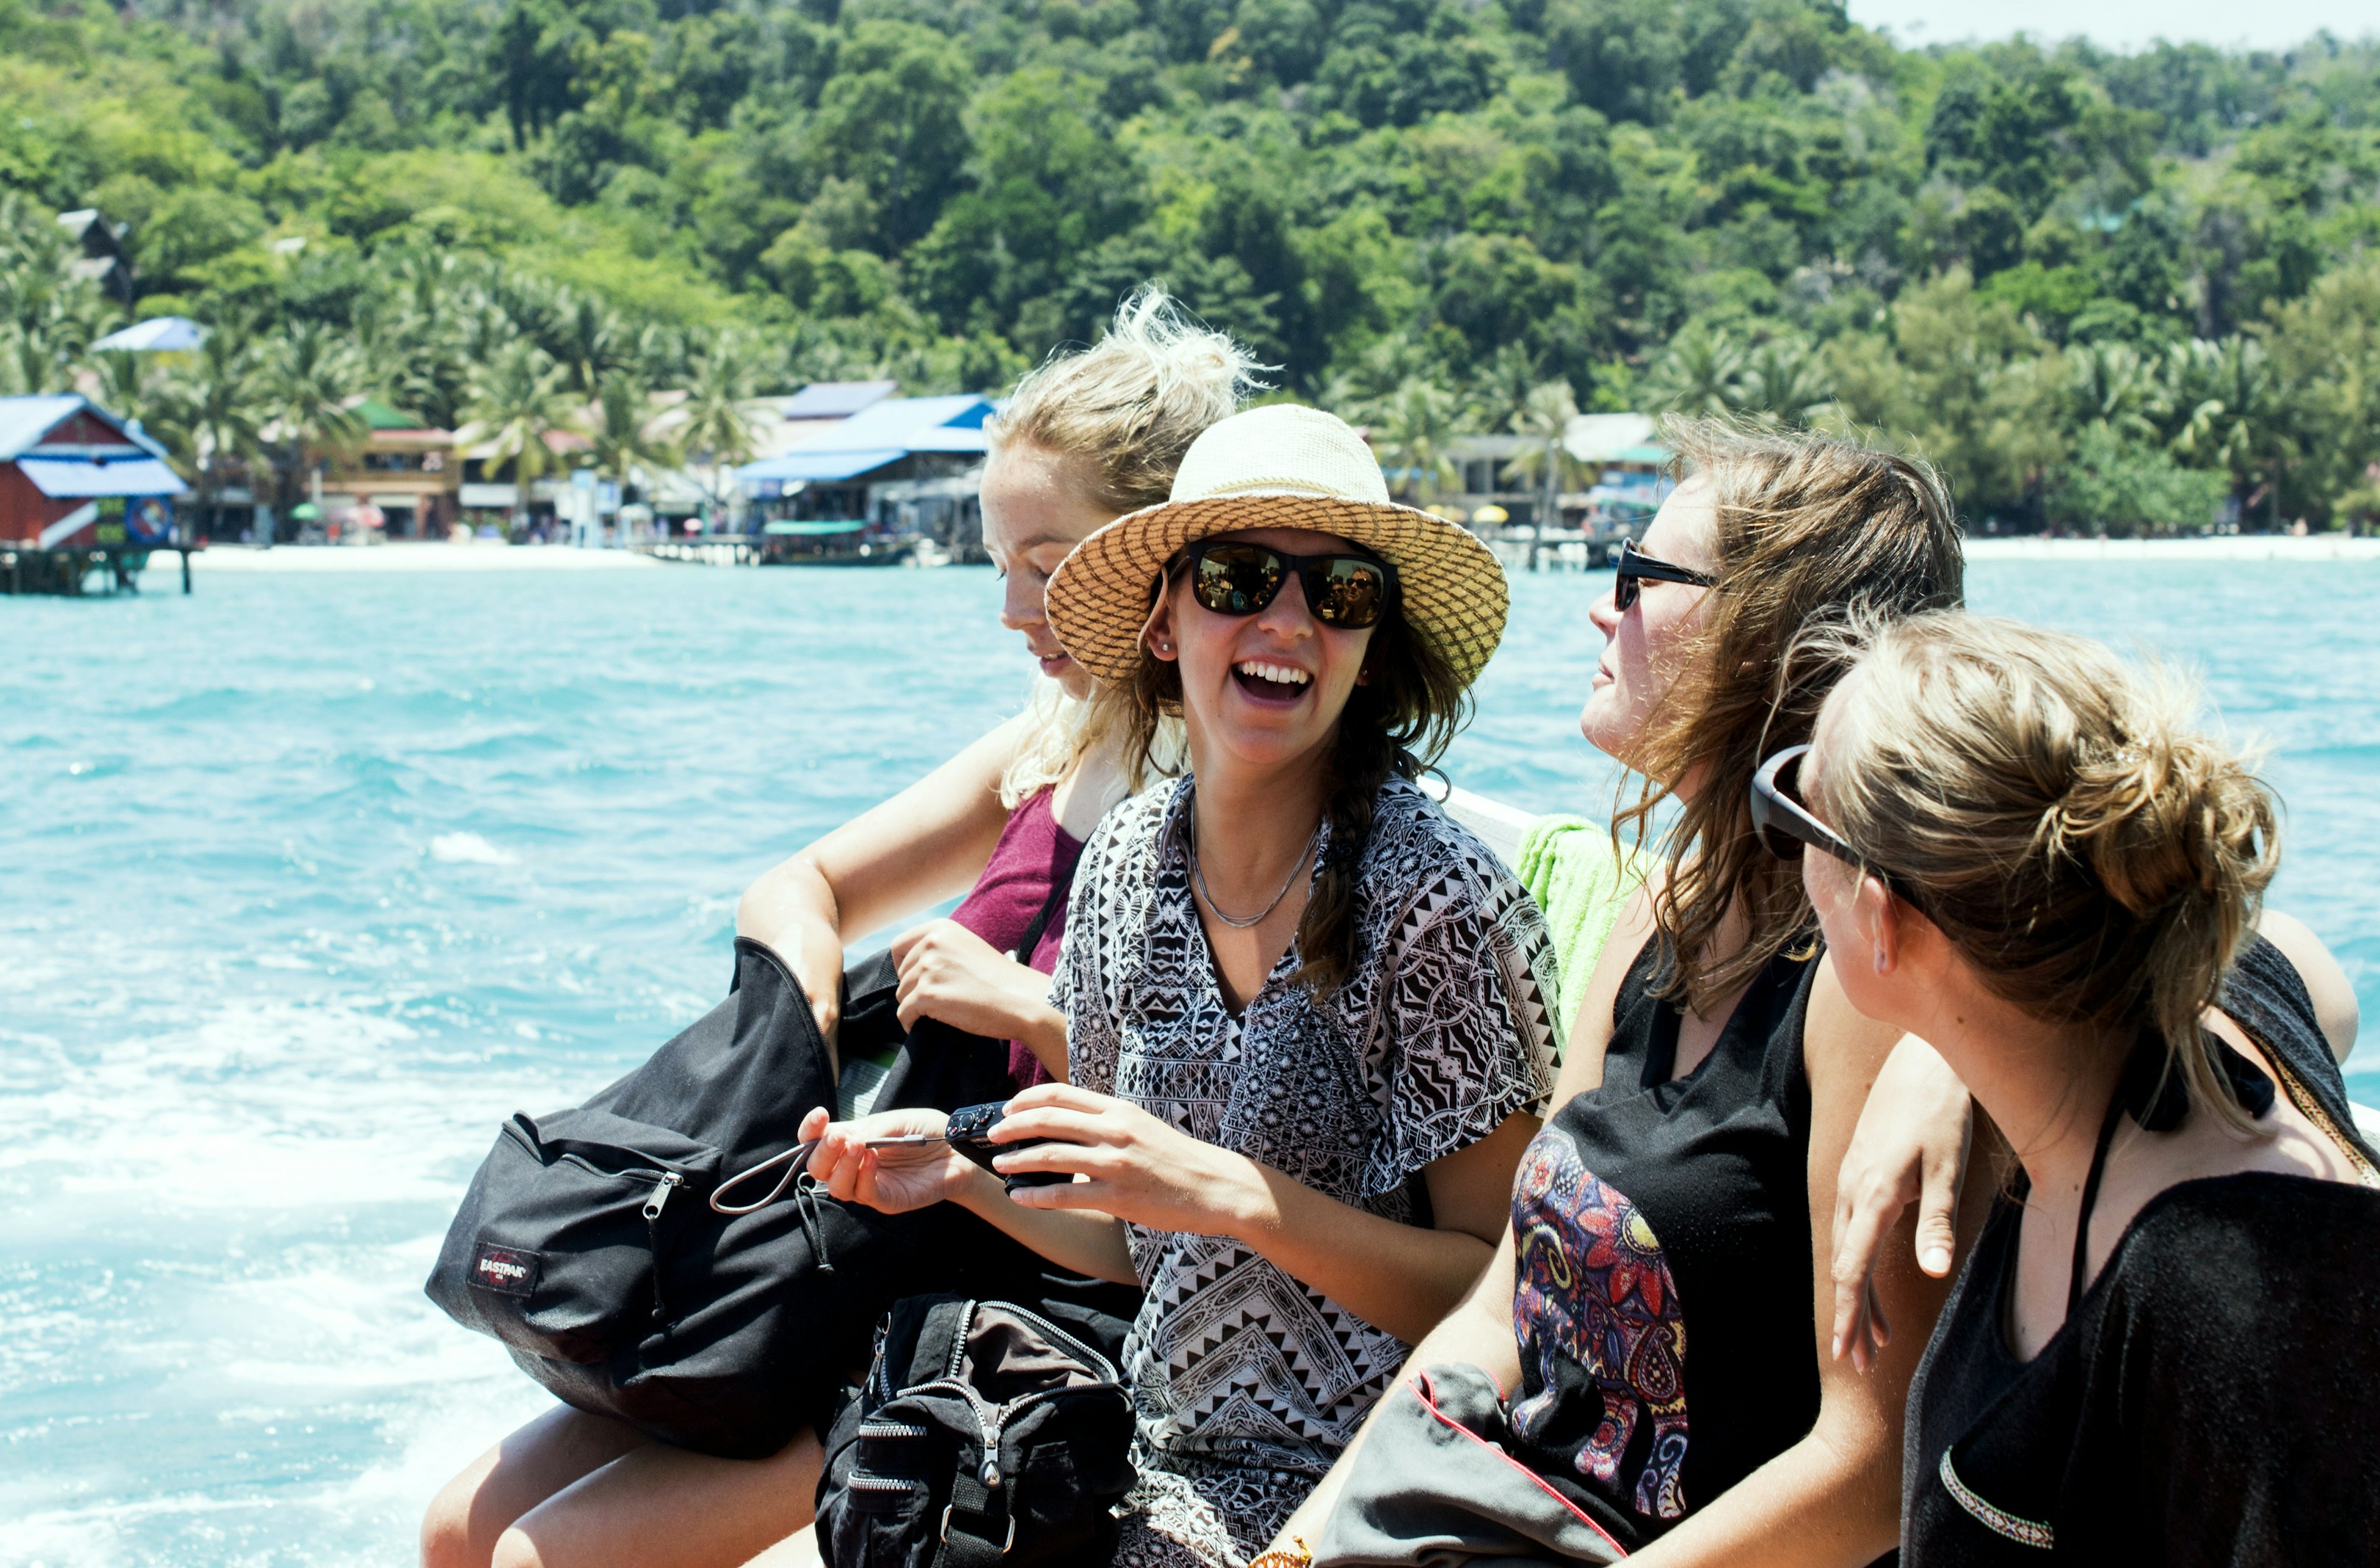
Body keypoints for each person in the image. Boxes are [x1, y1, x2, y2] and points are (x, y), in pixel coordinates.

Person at [418, 289, 1263, 1568]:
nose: (1011, 609)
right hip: (844, 1250)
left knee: (544, 1558)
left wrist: (1029, 1009)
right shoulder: (1047, 751)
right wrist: (795, 1037)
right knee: (453, 1527)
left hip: (1005, 1297)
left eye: (1045, 567)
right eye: (999, 567)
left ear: (1152, 560)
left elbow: (1232, 1128)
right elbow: (797, 885)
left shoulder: (1234, 799)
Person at [810, 402, 1559, 1568]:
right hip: (1159, 1465)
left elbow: (1502, 1297)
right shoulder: (1121, 868)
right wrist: (961, 1176)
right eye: (1241, 576)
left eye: (1339, 592)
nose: (1288, 621)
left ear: (1372, 646)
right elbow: (1135, 1241)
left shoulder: (1438, 902)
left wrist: (1228, 1191)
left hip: (1387, 1490)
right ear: (1167, 618)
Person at [1263, 418, 1969, 1568]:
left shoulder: (1863, 988)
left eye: (1640, 574)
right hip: (1506, 1511)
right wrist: (1299, 1547)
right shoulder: (1662, 911)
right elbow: (1501, 1309)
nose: (1607, 604)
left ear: (1767, 637)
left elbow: (1871, 1465)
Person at [1782, 614, 2380, 1564]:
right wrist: (1936, 1053)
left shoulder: (2229, 1284)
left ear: (1882, 917)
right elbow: (2326, 984)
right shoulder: (2147, 1012)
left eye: (1792, 814)